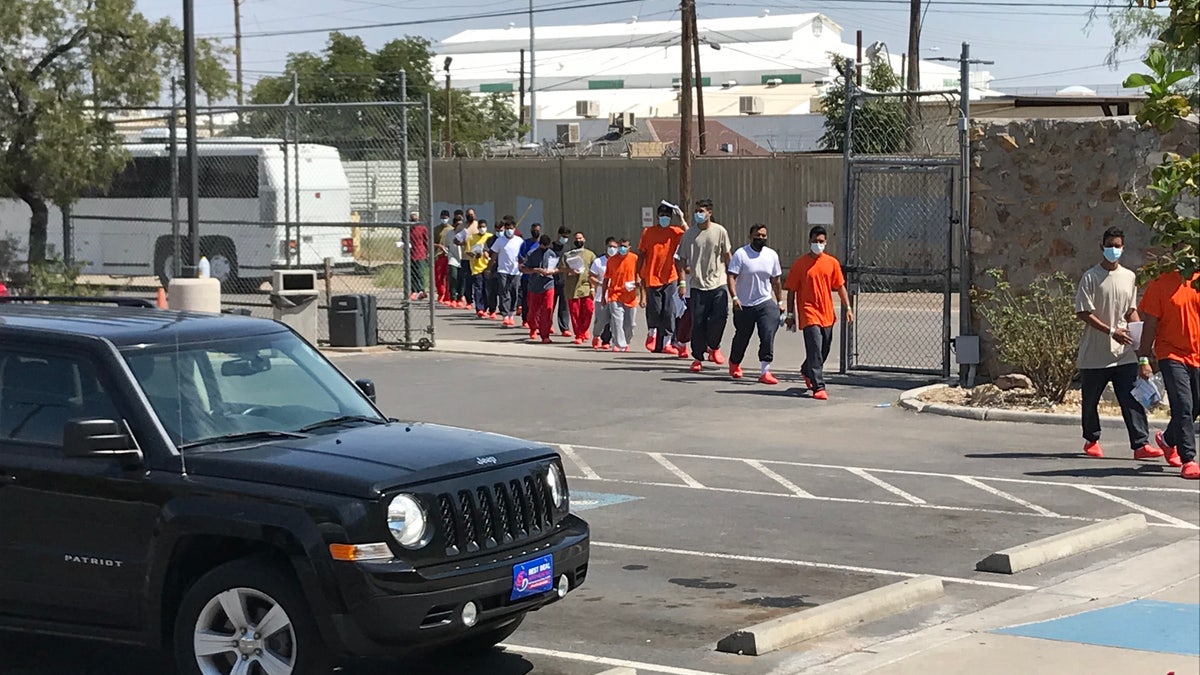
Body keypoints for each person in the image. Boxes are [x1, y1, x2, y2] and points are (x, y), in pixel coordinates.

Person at [1074, 227, 1161, 461]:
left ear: (1123, 248)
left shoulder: (1129, 277)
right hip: (1095, 354)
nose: (1114, 250)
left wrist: (1142, 342)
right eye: (1110, 245)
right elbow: (1083, 311)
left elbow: (1131, 311)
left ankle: (1141, 444)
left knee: (1131, 397)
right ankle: (1091, 440)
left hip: (1123, 354)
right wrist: (1111, 331)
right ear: (1102, 247)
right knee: (1091, 400)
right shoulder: (1090, 277)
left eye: (1118, 246)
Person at [1137, 260, 1200, 480]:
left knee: (1194, 407)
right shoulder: (1160, 282)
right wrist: (1143, 359)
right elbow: (1150, 325)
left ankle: (1167, 440)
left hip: (1197, 355)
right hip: (1170, 354)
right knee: (1183, 404)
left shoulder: (1198, 279)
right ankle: (1189, 459)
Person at [784, 226, 853, 400]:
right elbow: (791, 290)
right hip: (809, 312)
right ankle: (818, 386)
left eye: (821, 241)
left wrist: (848, 308)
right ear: (809, 241)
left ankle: (807, 370)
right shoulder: (800, 264)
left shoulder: (832, 263)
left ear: (826, 242)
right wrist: (790, 315)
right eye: (815, 241)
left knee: (824, 348)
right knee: (814, 346)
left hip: (827, 312)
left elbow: (840, 286)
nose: (818, 244)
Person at [676, 199, 732, 372]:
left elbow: (728, 254)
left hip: (718, 282)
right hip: (697, 285)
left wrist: (733, 277)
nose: (698, 214)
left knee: (720, 318)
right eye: (696, 211)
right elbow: (681, 259)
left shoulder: (719, 231)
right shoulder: (689, 234)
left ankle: (714, 347)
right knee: (698, 323)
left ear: (709, 213)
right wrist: (682, 282)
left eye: (701, 211)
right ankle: (698, 357)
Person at [727, 224, 784, 385]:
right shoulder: (741, 254)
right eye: (757, 235)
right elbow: (731, 276)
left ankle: (765, 370)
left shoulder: (771, 255)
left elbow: (776, 280)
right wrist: (735, 297)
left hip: (764, 302)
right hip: (744, 304)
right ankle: (734, 362)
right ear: (750, 237)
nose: (761, 238)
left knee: (767, 334)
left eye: (764, 236)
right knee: (742, 336)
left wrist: (779, 301)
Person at [640, 202, 687, 355]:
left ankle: (667, 343)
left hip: (670, 276)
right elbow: (642, 253)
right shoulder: (648, 232)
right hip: (652, 275)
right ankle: (651, 333)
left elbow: (691, 235)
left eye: (667, 216)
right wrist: (638, 273)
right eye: (662, 215)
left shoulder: (676, 232)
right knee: (654, 309)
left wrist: (682, 219)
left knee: (669, 311)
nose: (664, 218)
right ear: (657, 217)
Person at [603, 238, 641, 352]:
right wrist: (603, 296)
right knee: (617, 321)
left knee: (630, 324)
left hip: (630, 295)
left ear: (630, 248)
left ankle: (626, 341)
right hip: (614, 294)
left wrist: (641, 290)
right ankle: (619, 344)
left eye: (625, 246)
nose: (622, 248)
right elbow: (606, 279)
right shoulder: (611, 260)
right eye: (620, 246)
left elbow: (640, 274)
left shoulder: (635, 259)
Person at [520, 234, 559, 343]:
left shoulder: (551, 254)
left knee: (547, 310)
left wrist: (552, 271)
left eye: (546, 246)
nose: (544, 248)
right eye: (543, 246)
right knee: (533, 312)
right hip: (534, 286)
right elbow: (524, 269)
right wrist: (536, 270)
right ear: (539, 244)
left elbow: (557, 268)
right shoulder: (531, 253)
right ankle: (533, 328)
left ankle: (545, 335)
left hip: (548, 285)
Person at [563, 230, 597, 345]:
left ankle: (584, 330)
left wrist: (593, 288)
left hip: (586, 287)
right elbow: (561, 268)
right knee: (575, 313)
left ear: (584, 239)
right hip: (572, 289)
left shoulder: (590, 255)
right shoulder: (568, 255)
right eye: (576, 239)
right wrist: (570, 270)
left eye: (580, 238)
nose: (578, 240)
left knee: (588, 310)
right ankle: (579, 335)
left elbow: (594, 273)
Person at [490, 216, 525, 327]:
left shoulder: (519, 241)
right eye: (508, 228)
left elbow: (523, 255)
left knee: (514, 291)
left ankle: (511, 313)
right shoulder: (499, 241)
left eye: (512, 228)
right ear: (504, 229)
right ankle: (505, 315)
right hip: (503, 270)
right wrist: (489, 268)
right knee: (504, 291)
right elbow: (494, 256)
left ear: (514, 229)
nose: (510, 230)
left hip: (515, 271)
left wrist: (522, 265)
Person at [589, 238, 618, 350]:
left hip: (615, 296)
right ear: (606, 246)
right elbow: (591, 276)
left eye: (615, 247)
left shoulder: (619, 261)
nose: (612, 249)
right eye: (610, 246)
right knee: (601, 320)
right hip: (601, 295)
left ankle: (607, 340)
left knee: (614, 320)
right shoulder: (598, 261)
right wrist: (600, 284)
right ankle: (596, 336)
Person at [465, 219, 493, 317]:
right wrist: (473, 255)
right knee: (478, 288)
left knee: (487, 289)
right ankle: (479, 308)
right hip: (476, 267)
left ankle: (486, 307)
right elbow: (468, 251)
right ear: (477, 228)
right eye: (480, 227)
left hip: (487, 266)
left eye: (484, 227)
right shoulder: (471, 238)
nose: (482, 228)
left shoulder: (490, 237)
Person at [519, 223, 544, 327]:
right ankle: (525, 319)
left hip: (539, 277)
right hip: (526, 276)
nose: (536, 232)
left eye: (538, 230)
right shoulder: (525, 243)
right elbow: (520, 257)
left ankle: (538, 320)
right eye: (534, 230)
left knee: (539, 300)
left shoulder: (541, 244)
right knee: (526, 299)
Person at [551, 226, 574, 336]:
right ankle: (548, 325)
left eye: (566, 237)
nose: (565, 239)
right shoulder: (551, 247)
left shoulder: (568, 248)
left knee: (564, 306)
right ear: (558, 235)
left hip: (564, 281)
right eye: (563, 236)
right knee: (550, 305)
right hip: (552, 280)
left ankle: (564, 327)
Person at [439, 214, 465, 307]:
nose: (460, 226)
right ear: (454, 225)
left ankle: (460, 298)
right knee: (453, 277)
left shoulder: (465, 233)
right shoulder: (449, 233)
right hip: (452, 258)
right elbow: (446, 246)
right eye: (458, 224)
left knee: (462, 279)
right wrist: (445, 251)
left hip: (463, 258)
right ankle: (453, 298)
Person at [408, 211, 429, 301]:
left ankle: (421, 290)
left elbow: (426, 241)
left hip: (420, 253)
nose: (414, 219)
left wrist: (427, 252)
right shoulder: (408, 228)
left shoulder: (422, 228)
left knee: (420, 273)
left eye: (415, 217)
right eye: (412, 218)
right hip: (411, 254)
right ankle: (413, 291)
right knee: (412, 274)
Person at [433, 210, 453, 305]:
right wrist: (439, 246)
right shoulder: (436, 229)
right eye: (442, 218)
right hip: (439, 256)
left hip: (449, 256)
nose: (444, 219)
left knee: (449, 277)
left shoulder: (451, 229)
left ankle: (447, 296)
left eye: (445, 218)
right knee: (439, 277)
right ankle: (441, 294)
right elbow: (431, 242)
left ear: (448, 218)